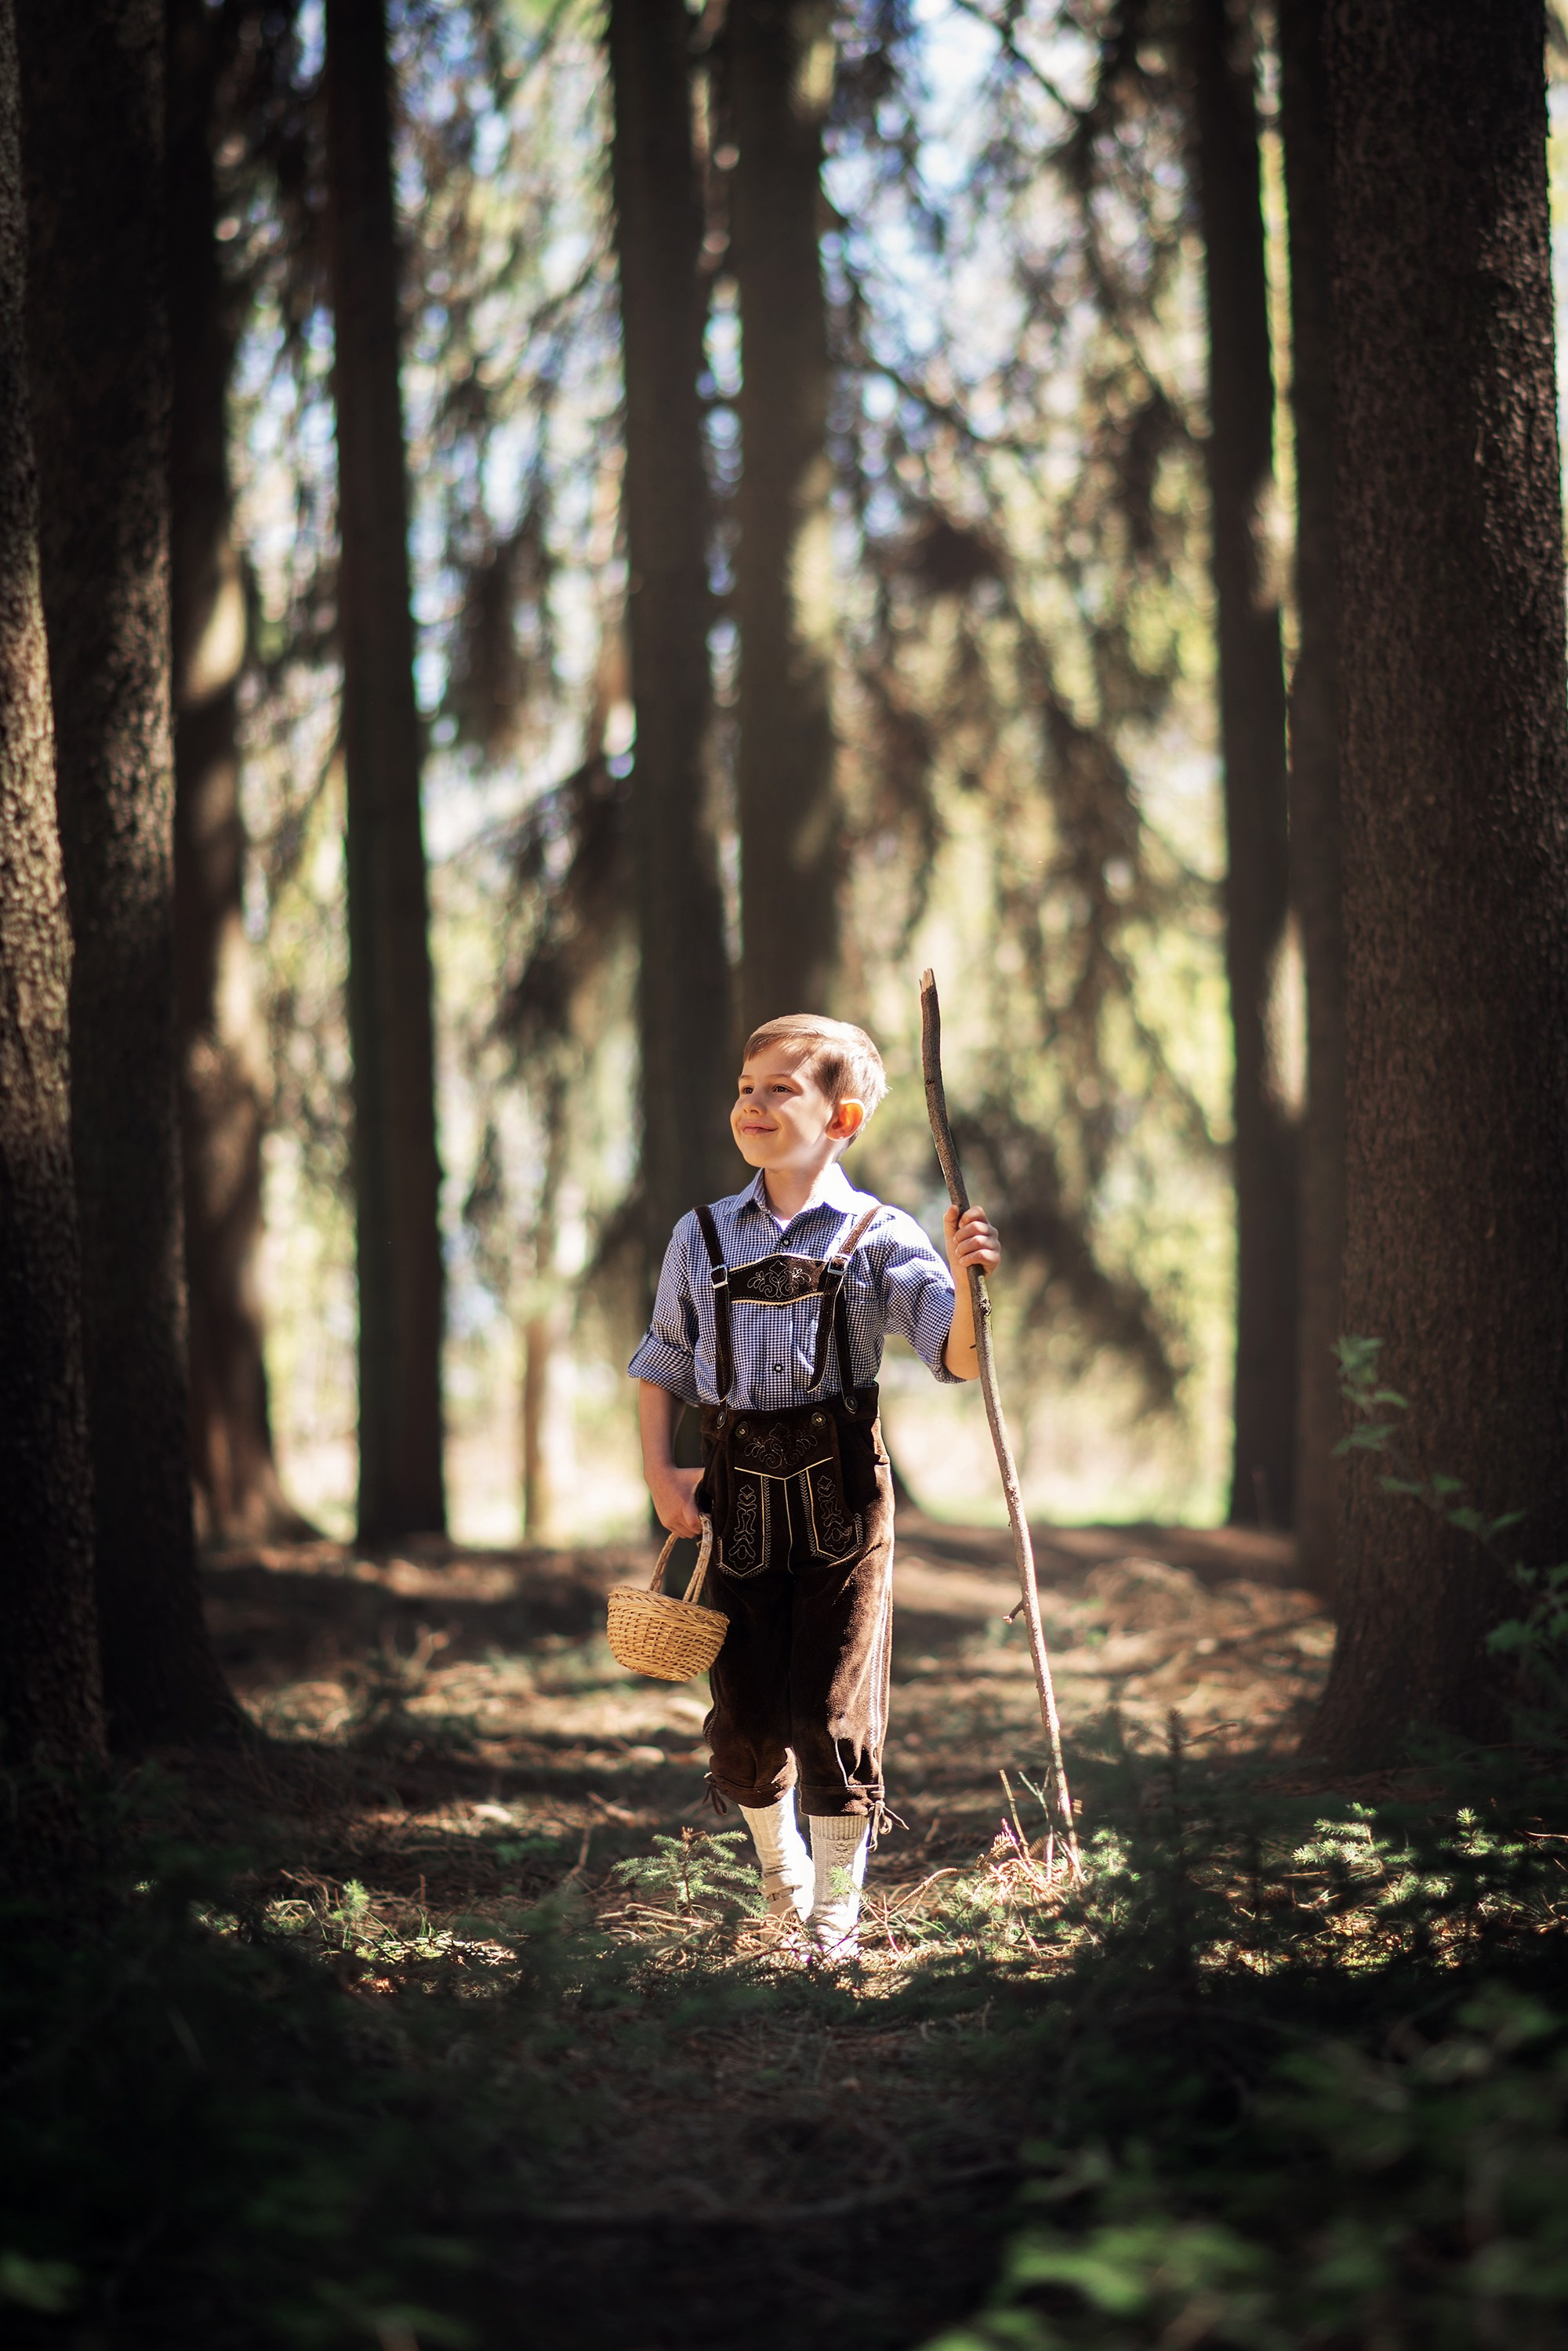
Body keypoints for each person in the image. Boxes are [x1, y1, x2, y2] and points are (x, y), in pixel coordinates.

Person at [629, 1011, 1000, 1957]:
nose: (751, 1105)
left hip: (845, 1504)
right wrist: (660, 1473)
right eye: (744, 1088)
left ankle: (835, 1904)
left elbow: (952, 1356)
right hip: (735, 1504)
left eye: (777, 1090)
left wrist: (966, 1281)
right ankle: (778, 1865)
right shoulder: (699, 1233)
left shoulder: (883, 1235)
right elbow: (662, 1362)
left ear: (841, 1117)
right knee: (744, 1720)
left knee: (830, 1708)